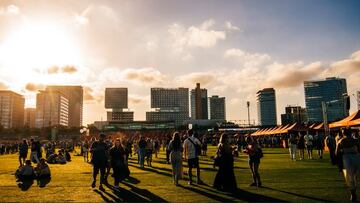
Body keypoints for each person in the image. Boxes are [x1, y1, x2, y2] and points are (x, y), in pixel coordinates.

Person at [335, 128, 360, 202]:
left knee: (349, 177)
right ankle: (353, 191)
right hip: (356, 157)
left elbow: (336, 153)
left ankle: (353, 193)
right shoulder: (355, 140)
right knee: (354, 176)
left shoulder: (341, 141)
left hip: (347, 158)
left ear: (343, 133)